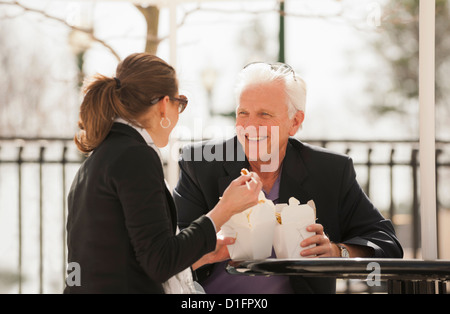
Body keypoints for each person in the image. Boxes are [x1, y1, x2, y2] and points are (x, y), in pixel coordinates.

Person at [173, 62, 404, 294]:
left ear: (295, 122)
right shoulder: (200, 165)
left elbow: (386, 243)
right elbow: (165, 256)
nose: (250, 126)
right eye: (243, 113)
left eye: (264, 114)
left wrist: (337, 252)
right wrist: (206, 248)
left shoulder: (330, 171)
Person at [64, 53, 262, 294]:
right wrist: (224, 210)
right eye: (180, 104)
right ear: (163, 105)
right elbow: (160, 262)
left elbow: (136, 262)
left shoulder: (96, 161)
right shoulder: (135, 156)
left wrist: (201, 255)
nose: (179, 114)